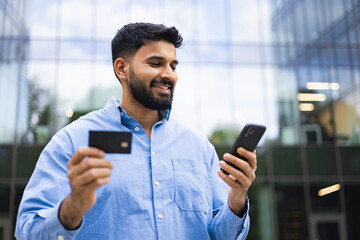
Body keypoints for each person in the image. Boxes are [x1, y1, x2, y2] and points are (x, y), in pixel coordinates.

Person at [15, 22, 257, 240]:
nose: (168, 74)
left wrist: (236, 199)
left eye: (173, 65)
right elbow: (27, 231)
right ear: (122, 69)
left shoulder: (198, 145)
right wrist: (71, 208)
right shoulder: (72, 141)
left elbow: (222, 235)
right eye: (155, 63)